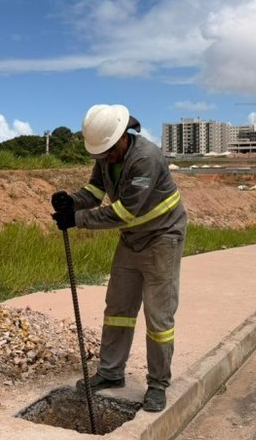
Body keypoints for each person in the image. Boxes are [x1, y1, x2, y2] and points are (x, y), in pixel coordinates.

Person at [50, 104, 187, 413]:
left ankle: (157, 384)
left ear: (124, 135)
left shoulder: (146, 159)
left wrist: (78, 220)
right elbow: (95, 191)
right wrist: (70, 201)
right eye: (100, 153)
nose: (105, 157)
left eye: (109, 150)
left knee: (159, 315)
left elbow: (126, 211)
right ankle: (111, 373)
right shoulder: (106, 155)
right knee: (118, 308)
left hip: (162, 237)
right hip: (133, 238)